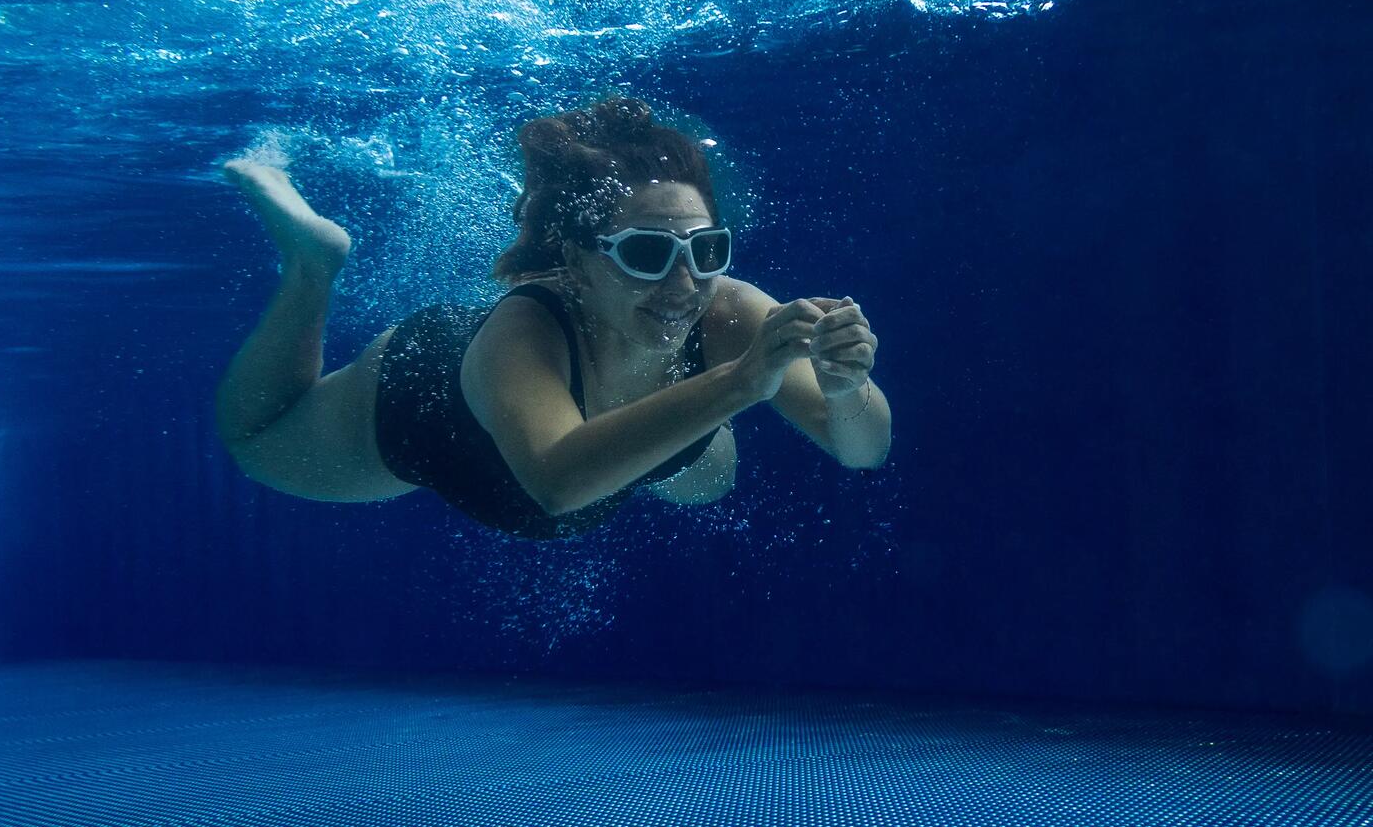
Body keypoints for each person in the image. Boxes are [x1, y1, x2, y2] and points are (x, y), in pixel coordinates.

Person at [215, 97, 889, 540]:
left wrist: (843, 387)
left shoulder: (731, 308)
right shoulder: (525, 331)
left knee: (713, 482)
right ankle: (313, 268)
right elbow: (560, 484)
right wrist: (742, 382)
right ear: (575, 258)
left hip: (621, 421)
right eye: (648, 254)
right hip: (428, 409)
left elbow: (864, 451)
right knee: (255, 445)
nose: (685, 282)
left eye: (707, 249)